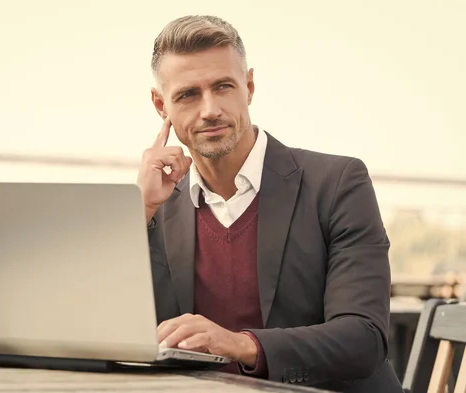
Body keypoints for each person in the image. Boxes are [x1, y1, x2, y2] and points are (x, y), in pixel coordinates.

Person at [136, 15, 404, 392]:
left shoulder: (339, 183)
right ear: (160, 105)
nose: (210, 109)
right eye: (188, 94)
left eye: (223, 86)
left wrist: (239, 344)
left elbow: (363, 338)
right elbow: (97, 328)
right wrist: (140, 211)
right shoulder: (154, 206)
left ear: (249, 86)